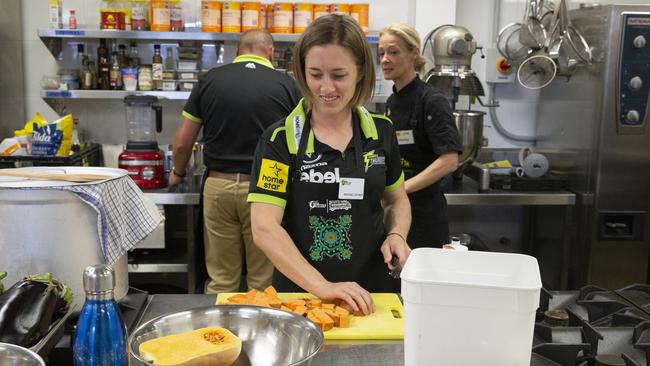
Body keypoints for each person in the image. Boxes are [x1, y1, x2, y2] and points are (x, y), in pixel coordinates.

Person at [247, 14, 411, 315]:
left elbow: (396, 199)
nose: (326, 87)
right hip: (302, 298)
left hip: (372, 295)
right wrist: (322, 286)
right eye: (315, 74)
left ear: (360, 71)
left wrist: (396, 234)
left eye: (338, 75)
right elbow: (264, 227)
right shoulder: (280, 139)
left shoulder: (381, 132)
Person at [169, 29, 301, 293]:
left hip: (219, 185)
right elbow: (300, 141)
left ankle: (218, 334)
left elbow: (183, 142)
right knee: (264, 282)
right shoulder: (287, 85)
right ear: (271, 53)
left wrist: (177, 172)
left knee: (222, 281)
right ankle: (262, 334)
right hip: (267, 190)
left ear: (237, 52)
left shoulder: (210, 80)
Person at [379, 24, 462, 248]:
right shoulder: (391, 103)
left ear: (414, 53)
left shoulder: (432, 101)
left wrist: (400, 189)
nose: (385, 59)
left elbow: (449, 161)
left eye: (393, 52)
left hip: (424, 216)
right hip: (396, 213)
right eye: (382, 53)